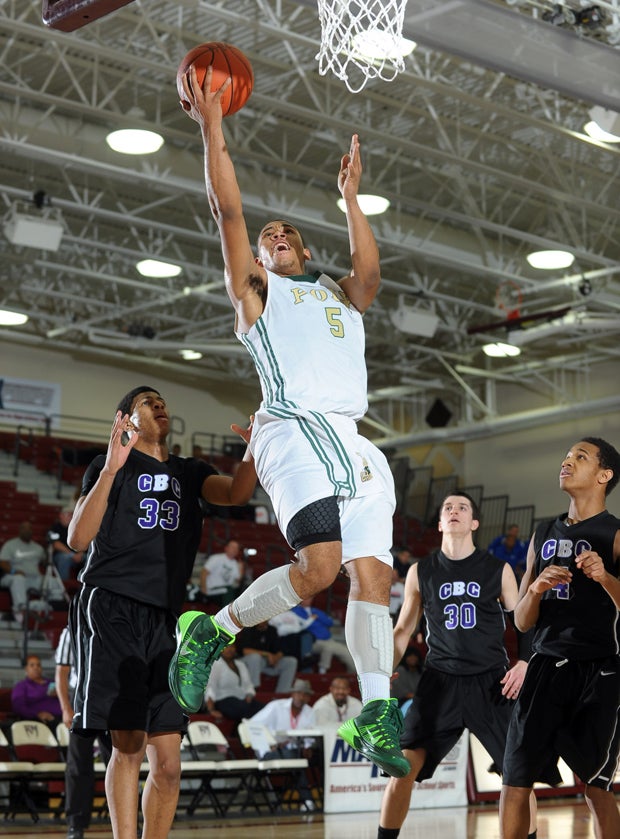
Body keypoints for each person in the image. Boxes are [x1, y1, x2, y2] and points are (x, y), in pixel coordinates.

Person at [169, 64, 407, 779]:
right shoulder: (256, 292)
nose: (272, 232)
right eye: (267, 232)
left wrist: (351, 200)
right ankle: (211, 629)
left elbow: (369, 275)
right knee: (321, 567)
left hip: (353, 439)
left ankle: (374, 716)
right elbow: (229, 214)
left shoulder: (337, 293)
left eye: (286, 232)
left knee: (372, 580)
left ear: (305, 250)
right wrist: (213, 130)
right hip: (290, 427)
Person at [66, 385, 257, 839]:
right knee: (127, 741)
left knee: (169, 766)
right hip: (111, 604)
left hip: (166, 618)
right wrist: (112, 469)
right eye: (147, 402)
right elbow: (77, 539)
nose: (160, 406)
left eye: (162, 402)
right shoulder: (109, 466)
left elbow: (236, 493)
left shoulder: (189, 472)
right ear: (124, 421)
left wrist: (255, 448)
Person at [378, 492, 560, 839]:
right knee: (401, 769)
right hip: (439, 681)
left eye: (463, 507)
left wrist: (523, 661)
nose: (454, 511)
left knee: (518, 778)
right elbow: (403, 629)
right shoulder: (421, 570)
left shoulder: (497, 568)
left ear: (474, 523)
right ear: (440, 523)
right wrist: (381, 668)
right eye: (447, 507)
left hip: (491, 682)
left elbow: (523, 622)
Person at [500, 437, 620, 839]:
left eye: (579, 457)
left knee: (596, 788)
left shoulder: (616, 535)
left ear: (604, 476)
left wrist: (605, 578)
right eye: (566, 456)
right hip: (546, 666)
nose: (567, 461)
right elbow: (519, 622)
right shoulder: (542, 532)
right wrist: (534, 590)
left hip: (600, 671)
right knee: (515, 782)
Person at [55, 624, 112, 839]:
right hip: (80, 698)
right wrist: (65, 708)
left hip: (109, 697)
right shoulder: (70, 630)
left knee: (119, 761)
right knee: (78, 764)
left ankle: (128, 821)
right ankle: (75, 825)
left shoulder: (109, 624)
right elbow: (61, 671)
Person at [248, 678, 317, 811]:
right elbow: (252, 725)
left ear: (309, 697)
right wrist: (268, 743)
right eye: (298, 693)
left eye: (305, 694)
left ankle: (314, 799)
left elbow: (311, 734)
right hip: (269, 751)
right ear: (292, 694)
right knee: (295, 757)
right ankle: (308, 800)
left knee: (312, 757)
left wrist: (308, 746)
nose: (301, 697)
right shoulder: (276, 707)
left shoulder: (310, 712)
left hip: (293, 751)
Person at [289, 597, 355, 674]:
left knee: (346, 651)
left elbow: (329, 622)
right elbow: (305, 626)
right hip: (313, 642)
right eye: (306, 598)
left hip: (328, 640)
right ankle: (322, 673)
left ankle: (355, 675)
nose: (308, 600)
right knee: (328, 648)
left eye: (310, 598)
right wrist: (315, 620)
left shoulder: (315, 610)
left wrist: (315, 618)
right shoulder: (295, 611)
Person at [204, 642, 265, 723]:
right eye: (226, 647)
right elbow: (211, 686)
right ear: (220, 650)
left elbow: (248, 684)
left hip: (242, 700)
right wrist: (211, 709)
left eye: (232, 647)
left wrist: (249, 694)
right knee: (244, 709)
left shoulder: (240, 664)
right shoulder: (216, 665)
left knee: (264, 709)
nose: (229, 649)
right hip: (223, 701)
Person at [0, 522, 46, 624]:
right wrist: (14, 571)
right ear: (20, 530)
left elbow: (47, 562)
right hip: (12, 576)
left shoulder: (38, 548)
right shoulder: (10, 545)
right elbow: (2, 562)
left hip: (34, 578)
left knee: (52, 581)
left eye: (29, 528)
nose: (27, 531)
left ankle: (51, 607)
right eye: (24, 528)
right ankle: (20, 610)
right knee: (18, 579)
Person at [237, 620, 298, 693]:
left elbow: (280, 650)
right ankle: (253, 688)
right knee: (255, 657)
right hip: (247, 663)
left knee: (291, 661)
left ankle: (282, 693)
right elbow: (245, 651)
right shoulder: (248, 629)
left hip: (266, 663)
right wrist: (267, 654)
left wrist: (276, 657)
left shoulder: (272, 630)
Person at [11, 654, 61, 724]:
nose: (36, 668)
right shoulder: (22, 686)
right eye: (32, 665)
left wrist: (60, 695)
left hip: (63, 716)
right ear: (26, 669)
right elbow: (19, 707)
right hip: (41, 721)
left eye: (38, 665)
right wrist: (37, 714)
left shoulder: (52, 683)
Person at [199, 538, 244, 604]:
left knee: (237, 591)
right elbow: (204, 572)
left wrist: (241, 568)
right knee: (229, 590)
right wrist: (203, 588)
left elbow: (238, 580)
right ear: (226, 548)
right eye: (233, 547)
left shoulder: (235, 563)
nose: (235, 549)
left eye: (237, 548)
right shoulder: (216, 558)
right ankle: (227, 612)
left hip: (225, 591)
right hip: (211, 589)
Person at [50, 506, 85, 581]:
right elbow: (56, 544)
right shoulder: (55, 527)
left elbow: (83, 542)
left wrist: (81, 553)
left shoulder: (75, 528)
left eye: (71, 515)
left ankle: (85, 585)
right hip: (60, 555)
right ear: (61, 515)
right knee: (64, 558)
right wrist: (72, 555)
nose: (70, 517)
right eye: (68, 514)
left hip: (76, 555)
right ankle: (64, 585)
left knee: (89, 558)